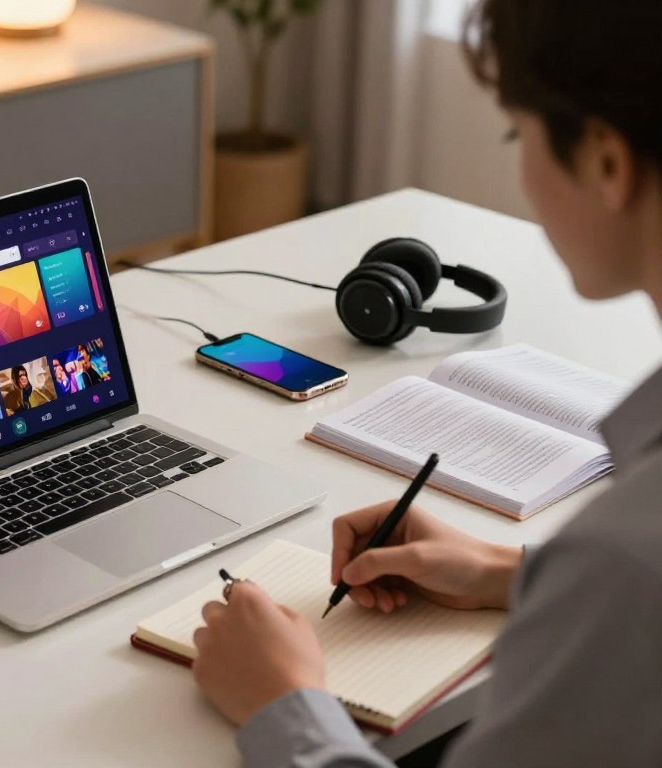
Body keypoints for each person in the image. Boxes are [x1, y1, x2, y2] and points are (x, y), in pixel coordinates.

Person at [192, 1, 662, 766]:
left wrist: (283, 705)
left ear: (607, 162)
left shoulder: (622, 569)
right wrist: (509, 572)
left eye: (519, 132)